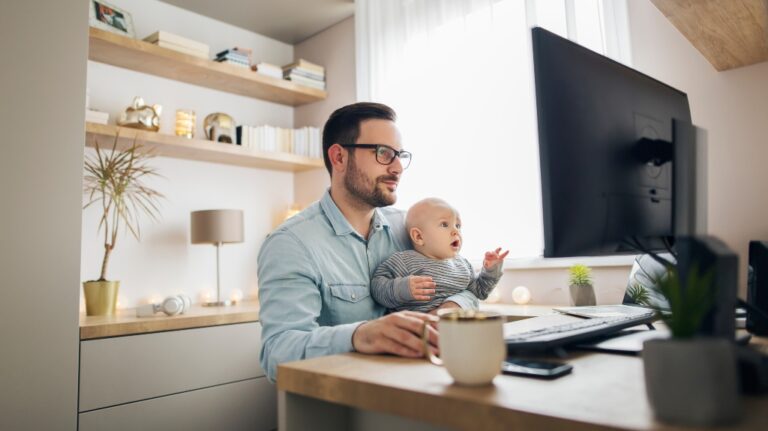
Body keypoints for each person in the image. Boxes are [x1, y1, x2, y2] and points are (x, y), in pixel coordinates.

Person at [257, 103, 479, 382]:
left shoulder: (410, 228)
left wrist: (450, 309)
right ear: (339, 157)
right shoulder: (290, 244)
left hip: (424, 386)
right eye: (383, 153)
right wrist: (359, 335)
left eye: (400, 155)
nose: (398, 167)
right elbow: (277, 354)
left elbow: (469, 286)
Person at [371, 198, 508, 312]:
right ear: (418, 236)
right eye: (444, 224)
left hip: (454, 330)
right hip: (415, 332)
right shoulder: (404, 261)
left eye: (458, 225)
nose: (455, 231)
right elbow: (377, 287)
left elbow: (480, 291)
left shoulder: (463, 265)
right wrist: (402, 288)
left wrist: (491, 270)